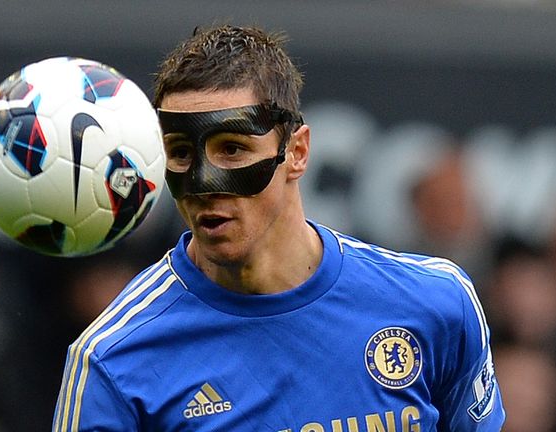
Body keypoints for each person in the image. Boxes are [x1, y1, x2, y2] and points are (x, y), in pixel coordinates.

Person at [53, 25, 505, 431]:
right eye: (181, 153)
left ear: (297, 152)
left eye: (232, 148)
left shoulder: (436, 303)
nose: (204, 185)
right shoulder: (114, 361)